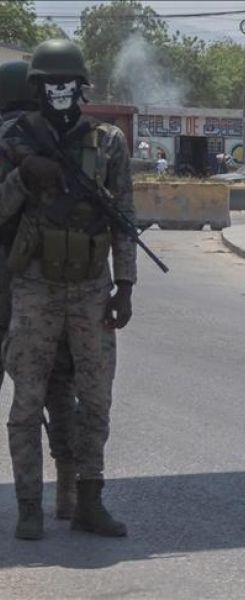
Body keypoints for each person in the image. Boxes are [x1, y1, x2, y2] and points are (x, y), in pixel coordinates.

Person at [0, 39, 135, 539]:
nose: (59, 90)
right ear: (36, 88)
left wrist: (125, 284)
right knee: (27, 402)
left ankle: (88, 501)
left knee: (95, 397)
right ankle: (30, 507)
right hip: (34, 286)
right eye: (48, 83)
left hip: (91, 287)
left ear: (81, 88)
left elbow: (125, 217)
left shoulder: (108, 142)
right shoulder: (15, 138)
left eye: (67, 83)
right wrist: (22, 175)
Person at [0, 60, 78, 530]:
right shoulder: (68, 140)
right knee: (57, 391)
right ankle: (67, 490)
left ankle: (33, 506)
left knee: (31, 401)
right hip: (53, 287)